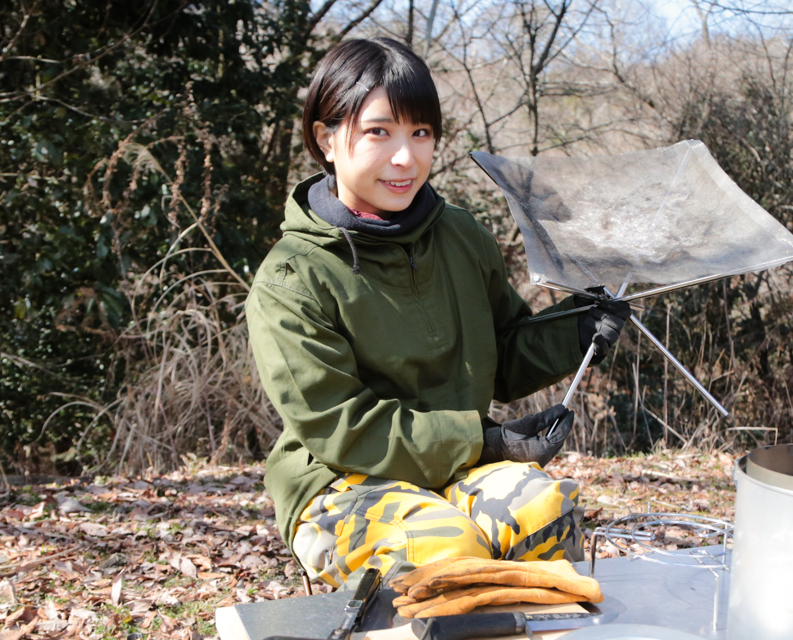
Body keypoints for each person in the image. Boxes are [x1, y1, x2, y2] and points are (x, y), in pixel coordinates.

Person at [246, 37, 630, 595]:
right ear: (327, 138)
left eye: (420, 133)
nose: (406, 157)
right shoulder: (292, 278)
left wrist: (578, 329)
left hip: (457, 465)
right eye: (379, 132)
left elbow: (502, 357)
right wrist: (486, 441)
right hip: (342, 479)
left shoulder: (461, 235)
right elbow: (342, 428)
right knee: (441, 547)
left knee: (543, 507)